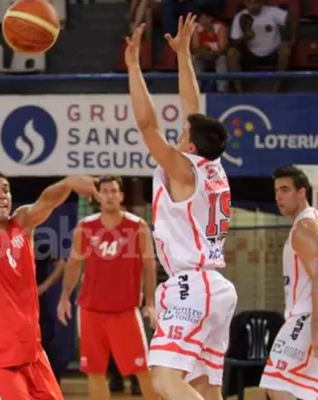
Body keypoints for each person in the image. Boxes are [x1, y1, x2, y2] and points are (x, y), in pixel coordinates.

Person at [124, 14, 238, 400]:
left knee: (164, 380)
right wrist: (183, 55)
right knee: (204, 387)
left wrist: (133, 67)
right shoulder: (213, 166)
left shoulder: (183, 169)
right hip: (215, 287)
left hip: (191, 285)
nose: (180, 131)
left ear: (191, 146)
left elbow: (146, 125)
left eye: (184, 132)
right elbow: (193, 106)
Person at [0, 170, 100, 399]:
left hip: (33, 356)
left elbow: (47, 200)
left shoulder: (22, 224)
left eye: (5, 190)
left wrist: (67, 183)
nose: (1, 195)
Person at [57, 175, 159, 400]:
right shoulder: (85, 226)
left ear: (121, 196)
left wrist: (150, 303)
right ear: (97, 196)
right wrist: (65, 296)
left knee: (142, 370)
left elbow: (149, 266)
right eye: (105, 191)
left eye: (114, 191)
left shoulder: (137, 226)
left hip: (125, 311)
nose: (110, 195)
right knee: (95, 372)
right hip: (91, 310)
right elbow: (74, 263)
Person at [259, 165, 318, 400]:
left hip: (305, 320)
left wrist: (315, 329)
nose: (278, 197)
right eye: (276, 191)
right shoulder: (306, 224)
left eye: (285, 190)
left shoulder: (304, 227)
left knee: (278, 387)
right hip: (302, 318)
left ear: (302, 192)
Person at [34, 237, 66, 383]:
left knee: (45, 341)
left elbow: (61, 264)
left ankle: (53, 382)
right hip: (9, 305)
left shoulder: (38, 242)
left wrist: (44, 286)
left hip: (37, 304)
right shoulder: (0, 243)